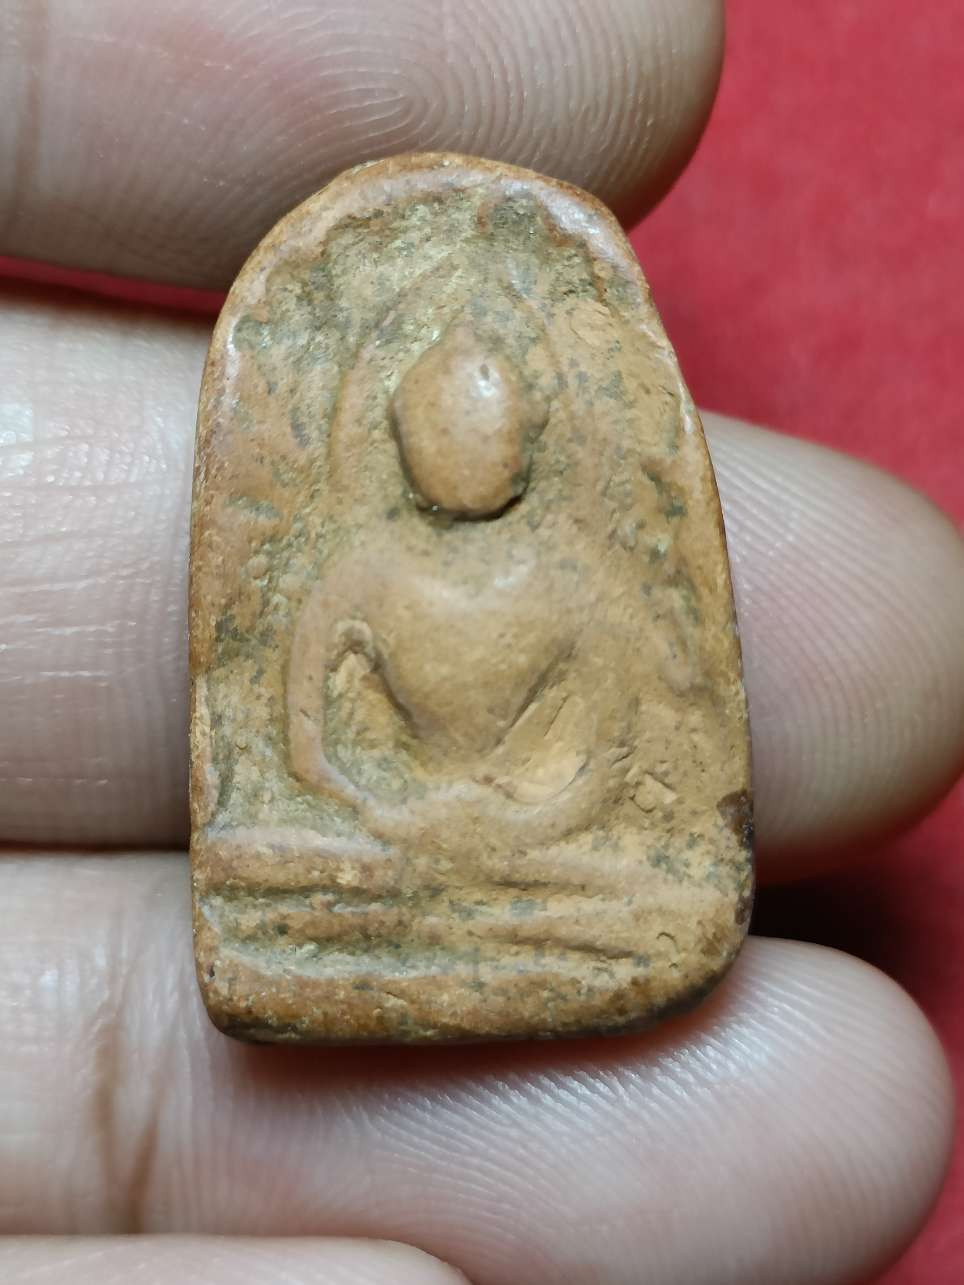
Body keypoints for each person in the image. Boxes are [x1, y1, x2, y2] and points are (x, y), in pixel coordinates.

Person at [0, 1, 962, 1281]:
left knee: (660, 900)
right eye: (441, 428)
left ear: (529, 438)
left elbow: (615, 749)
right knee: (276, 880)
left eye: (489, 428)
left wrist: (513, 818)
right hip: (376, 846)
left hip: (536, 843)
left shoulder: (576, 584)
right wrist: (389, 815)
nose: (466, 448)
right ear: (399, 436)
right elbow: (298, 746)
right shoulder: (354, 573)